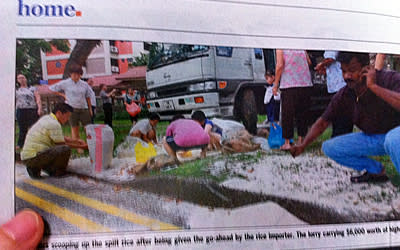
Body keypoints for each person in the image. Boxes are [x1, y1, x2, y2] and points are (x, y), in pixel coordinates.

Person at [290, 52, 400, 184]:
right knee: (330, 147)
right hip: (376, 138)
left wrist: (373, 87)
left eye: (352, 70)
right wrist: (303, 145)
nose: (347, 76)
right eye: (343, 71)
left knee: (392, 139)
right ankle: (376, 171)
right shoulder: (345, 95)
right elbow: (323, 122)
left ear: (366, 68)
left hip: (396, 135)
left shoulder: (389, 78)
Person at [20, 103, 88, 179]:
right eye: (67, 116)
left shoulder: (47, 118)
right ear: (59, 113)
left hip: (27, 157)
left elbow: (60, 137)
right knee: (64, 149)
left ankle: (34, 168)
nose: (68, 119)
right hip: (35, 156)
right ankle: (57, 172)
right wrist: (82, 146)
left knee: (58, 148)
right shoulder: (54, 124)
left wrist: (77, 141)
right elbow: (61, 143)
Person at [272, 49, 313, 150]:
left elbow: (280, 65)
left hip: (289, 83)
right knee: (302, 113)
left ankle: (287, 143)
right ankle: (301, 140)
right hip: (305, 82)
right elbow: (309, 62)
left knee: (288, 114)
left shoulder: (280, 46)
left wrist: (275, 84)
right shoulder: (300, 45)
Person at [49, 65, 92, 152]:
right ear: (70, 74)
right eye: (74, 74)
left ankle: (90, 145)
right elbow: (51, 88)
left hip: (83, 108)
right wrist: (63, 95)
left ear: (81, 75)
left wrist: (90, 109)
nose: (76, 76)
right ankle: (79, 147)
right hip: (71, 109)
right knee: (74, 128)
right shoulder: (65, 83)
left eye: (78, 74)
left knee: (88, 128)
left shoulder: (84, 84)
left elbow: (88, 97)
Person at [315, 51, 353, 137]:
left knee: (340, 116)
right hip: (337, 85)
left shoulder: (332, 41)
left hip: (339, 85)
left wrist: (321, 65)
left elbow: (330, 58)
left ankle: (339, 137)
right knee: (340, 116)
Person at [15, 74, 42, 150]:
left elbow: (38, 98)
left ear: (26, 79)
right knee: (22, 128)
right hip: (21, 110)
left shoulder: (32, 88)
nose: (21, 79)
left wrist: (39, 108)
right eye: (19, 78)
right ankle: (20, 144)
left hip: (32, 109)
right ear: (17, 80)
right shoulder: (16, 90)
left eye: (23, 77)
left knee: (34, 127)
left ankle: (36, 143)